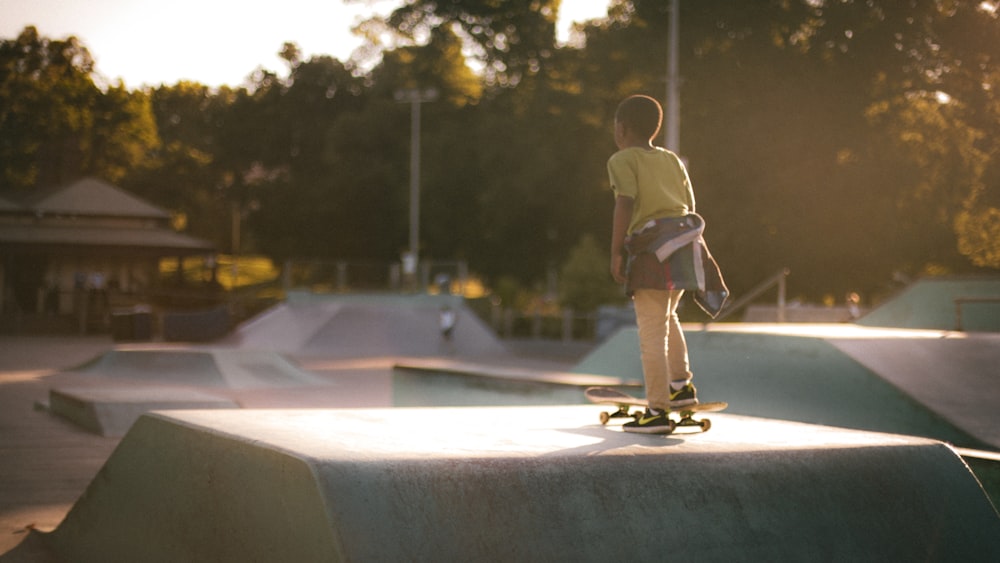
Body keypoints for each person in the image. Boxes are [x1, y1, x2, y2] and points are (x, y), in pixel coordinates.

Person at [607, 94, 726, 434]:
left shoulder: (622, 159)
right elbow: (688, 205)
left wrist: (616, 251)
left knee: (651, 331)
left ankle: (657, 410)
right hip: (686, 248)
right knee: (668, 316)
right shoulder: (673, 160)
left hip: (651, 252)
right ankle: (681, 388)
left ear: (622, 128)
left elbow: (624, 204)